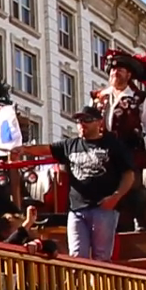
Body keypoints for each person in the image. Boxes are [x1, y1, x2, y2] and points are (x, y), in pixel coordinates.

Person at [12, 107, 134, 261]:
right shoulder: (70, 145)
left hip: (103, 208)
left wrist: (116, 197)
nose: (82, 124)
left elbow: (129, 174)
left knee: (101, 257)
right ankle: (80, 285)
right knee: (76, 256)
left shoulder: (113, 145)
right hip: (76, 209)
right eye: (79, 121)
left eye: (87, 120)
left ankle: (99, 285)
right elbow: (45, 149)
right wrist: (23, 150)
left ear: (99, 122)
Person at [91, 49, 146, 232]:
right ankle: (106, 225)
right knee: (104, 188)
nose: (115, 72)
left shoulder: (138, 100)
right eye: (112, 69)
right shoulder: (99, 98)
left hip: (130, 150)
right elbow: (88, 122)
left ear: (129, 75)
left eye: (120, 69)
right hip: (104, 152)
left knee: (134, 187)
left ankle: (139, 222)